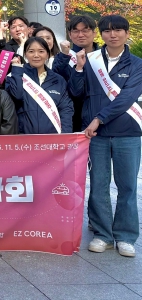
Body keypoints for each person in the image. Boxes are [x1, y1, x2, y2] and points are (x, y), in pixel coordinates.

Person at [69, 15, 142, 257]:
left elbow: (126, 98)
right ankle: (102, 235)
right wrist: (79, 68)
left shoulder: (137, 64)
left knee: (127, 186)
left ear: (126, 33)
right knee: (98, 185)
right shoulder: (90, 60)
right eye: (108, 31)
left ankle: (126, 237)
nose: (113, 34)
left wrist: (99, 118)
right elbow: (77, 93)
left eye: (118, 30)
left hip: (127, 132)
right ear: (101, 34)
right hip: (96, 136)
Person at [5, 37, 73, 135]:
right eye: (31, 51)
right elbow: (17, 95)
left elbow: (66, 109)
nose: (36, 55)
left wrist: (65, 135)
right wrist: (16, 69)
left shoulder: (58, 80)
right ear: (25, 54)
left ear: (47, 54)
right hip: (23, 138)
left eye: (41, 51)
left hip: (53, 138)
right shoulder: (15, 76)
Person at [53, 15, 100, 132]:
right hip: (73, 117)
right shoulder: (64, 57)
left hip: (99, 115)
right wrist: (64, 55)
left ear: (94, 33)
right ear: (70, 35)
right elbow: (56, 78)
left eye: (85, 30)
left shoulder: (103, 56)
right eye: (76, 31)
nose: (80, 35)